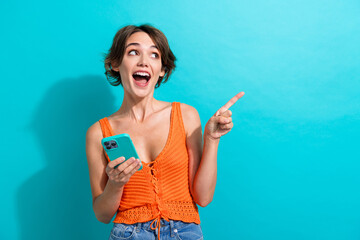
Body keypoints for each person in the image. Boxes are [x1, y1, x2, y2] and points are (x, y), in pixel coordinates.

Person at [85, 24, 244, 240]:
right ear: (115, 63)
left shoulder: (185, 116)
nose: (144, 61)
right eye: (133, 52)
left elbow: (203, 197)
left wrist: (212, 140)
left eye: (154, 54)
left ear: (162, 70)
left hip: (185, 233)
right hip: (128, 234)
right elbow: (102, 214)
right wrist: (116, 183)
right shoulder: (98, 133)